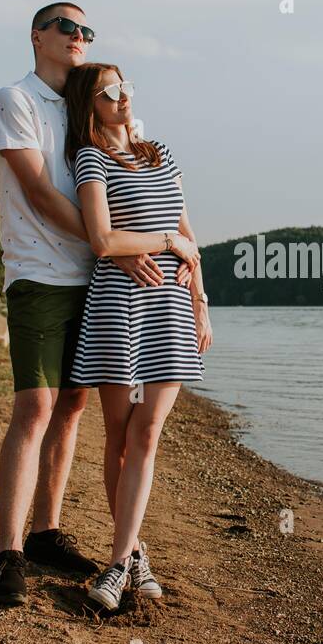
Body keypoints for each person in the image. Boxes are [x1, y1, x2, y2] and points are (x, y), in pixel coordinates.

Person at [0, 3, 194, 605]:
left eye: (86, 31)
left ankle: (48, 532)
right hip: (40, 273)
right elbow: (41, 194)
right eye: (66, 28)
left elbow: (142, 186)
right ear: (36, 37)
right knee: (35, 407)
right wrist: (116, 247)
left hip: (98, 283)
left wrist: (145, 260)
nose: (78, 36)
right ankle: (7, 552)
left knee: (73, 408)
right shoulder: (14, 100)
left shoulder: (88, 106)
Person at [62, 62, 212, 611]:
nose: (122, 97)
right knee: (121, 440)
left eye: (125, 86)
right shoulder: (90, 158)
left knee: (147, 436)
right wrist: (166, 239)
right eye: (108, 92)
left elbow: (190, 236)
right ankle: (133, 558)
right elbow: (102, 239)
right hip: (118, 311)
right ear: (90, 106)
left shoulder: (160, 153)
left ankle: (117, 563)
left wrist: (201, 303)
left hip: (171, 309)